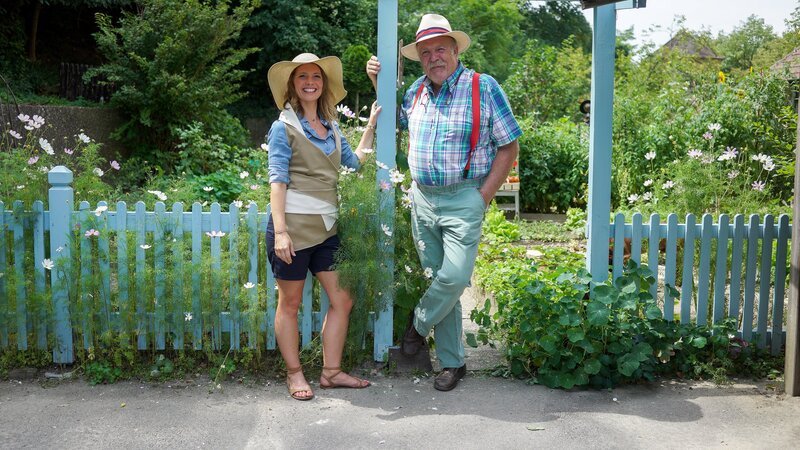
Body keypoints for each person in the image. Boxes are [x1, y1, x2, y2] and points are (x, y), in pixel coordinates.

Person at [367, 14, 521, 391]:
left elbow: (510, 145)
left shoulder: (483, 88)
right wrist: (377, 83)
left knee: (453, 277)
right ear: (420, 59)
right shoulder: (415, 91)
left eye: (440, 49)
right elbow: (396, 126)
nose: (434, 58)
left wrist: (482, 197)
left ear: (455, 50)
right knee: (440, 281)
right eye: (426, 52)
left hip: (463, 197)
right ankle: (453, 363)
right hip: (422, 199)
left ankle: (416, 327)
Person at [267, 53, 381, 401]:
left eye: (316, 76)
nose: (310, 82)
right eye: (302, 77)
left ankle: (331, 373)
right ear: (293, 85)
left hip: (327, 230)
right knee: (290, 303)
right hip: (293, 229)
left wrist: (371, 126)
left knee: (343, 299)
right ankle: (294, 373)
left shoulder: (331, 127)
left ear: (324, 84)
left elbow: (353, 163)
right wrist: (282, 232)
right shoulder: (283, 126)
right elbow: (278, 180)